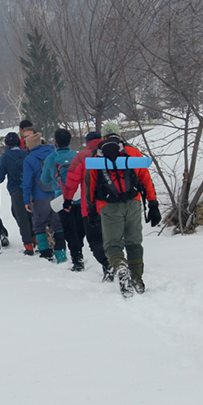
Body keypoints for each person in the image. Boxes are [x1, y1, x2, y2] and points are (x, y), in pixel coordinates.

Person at [84, 122, 160, 296]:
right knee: (134, 243)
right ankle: (137, 281)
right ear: (119, 135)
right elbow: (145, 179)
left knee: (112, 245)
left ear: (103, 138)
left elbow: (91, 186)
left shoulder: (97, 158)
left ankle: (120, 266)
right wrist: (153, 203)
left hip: (108, 206)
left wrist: (91, 209)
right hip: (133, 202)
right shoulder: (132, 153)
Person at [62, 131, 112, 280]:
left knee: (95, 240)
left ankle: (109, 266)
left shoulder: (82, 156)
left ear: (87, 141)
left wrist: (67, 200)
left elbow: (71, 181)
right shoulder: (112, 154)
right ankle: (113, 266)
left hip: (90, 207)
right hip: (113, 206)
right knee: (112, 240)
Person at [41, 128, 86, 271]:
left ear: (55, 142)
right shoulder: (78, 156)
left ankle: (76, 259)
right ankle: (80, 252)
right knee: (80, 228)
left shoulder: (51, 158)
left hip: (61, 199)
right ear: (70, 140)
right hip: (78, 197)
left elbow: (44, 179)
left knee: (69, 229)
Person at [22, 131, 66, 263]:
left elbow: (27, 183)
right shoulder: (53, 154)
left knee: (39, 225)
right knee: (58, 225)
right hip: (57, 194)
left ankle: (45, 253)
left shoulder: (29, 159)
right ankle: (61, 254)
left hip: (40, 197)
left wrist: (26, 200)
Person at [0, 132, 34, 255]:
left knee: (21, 217)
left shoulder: (6, 156)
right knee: (30, 214)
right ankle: (36, 238)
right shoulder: (26, 153)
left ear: (6, 144)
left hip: (15, 190)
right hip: (29, 188)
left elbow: (1, 176)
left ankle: (28, 245)